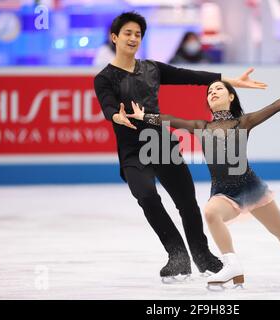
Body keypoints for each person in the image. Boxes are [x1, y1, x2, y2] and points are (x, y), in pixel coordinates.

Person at [93, 11, 267, 280]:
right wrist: (116, 115)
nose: (133, 38)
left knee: (187, 202)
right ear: (114, 37)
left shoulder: (151, 68)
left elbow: (189, 75)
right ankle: (177, 255)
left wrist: (229, 80)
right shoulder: (104, 78)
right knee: (147, 196)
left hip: (161, 144)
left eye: (138, 34)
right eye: (127, 33)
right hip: (132, 150)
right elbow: (106, 103)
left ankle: (203, 256)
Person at [127, 76, 280, 287]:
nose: (212, 92)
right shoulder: (201, 126)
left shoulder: (243, 122)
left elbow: (275, 106)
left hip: (251, 187)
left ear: (231, 96)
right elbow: (170, 119)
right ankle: (231, 264)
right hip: (223, 192)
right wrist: (144, 116)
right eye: (209, 91)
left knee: (279, 229)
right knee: (210, 212)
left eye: (218, 89)